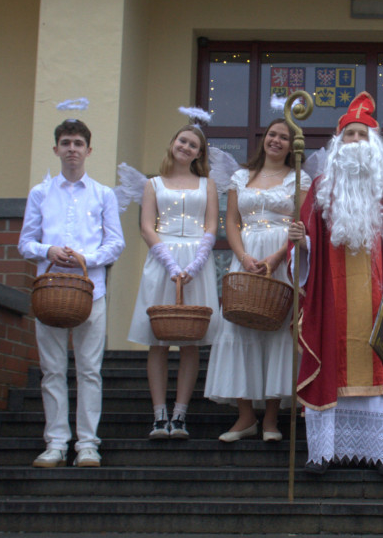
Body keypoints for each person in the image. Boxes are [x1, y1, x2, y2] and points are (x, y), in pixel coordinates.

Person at [288, 92, 383, 476]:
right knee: (330, 363)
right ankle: (324, 452)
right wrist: (302, 242)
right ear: (338, 143)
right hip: (330, 301)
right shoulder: (320, 187)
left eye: (361, 135)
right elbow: (307, 244)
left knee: (382, 365)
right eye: (348, 135)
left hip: (379, 301)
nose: (354, 141)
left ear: (373, 144)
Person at [18, 118, 125, 468]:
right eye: (66, 143)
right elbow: (25, 242)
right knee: (52, 369)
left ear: (89, 150)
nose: (72, 149)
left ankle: (88, 444)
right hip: (50, 292)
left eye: (78, 143)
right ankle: (56, 443)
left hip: (91, 291)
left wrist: (86, 259)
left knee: (89, 370)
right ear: (56, 149)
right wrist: (47, 251)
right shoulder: (40, 193)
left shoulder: (104, 194)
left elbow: (116, 243)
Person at [204, 119, 311, 442]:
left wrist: (278, 257)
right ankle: (246, 416)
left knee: (276, 329)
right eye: (272, 135)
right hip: (246, 255)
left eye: (284, 137)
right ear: (264, 138)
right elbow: (231, 222)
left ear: (292, 146)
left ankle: (271, 419)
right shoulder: (241, 176)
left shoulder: (299, 178)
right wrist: (243, 256)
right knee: (239, 326)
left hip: (281, 255)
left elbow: (303, 223)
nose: (276, 141)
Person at [127, 124, 220, 440]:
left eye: (193, 145)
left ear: (199, 154)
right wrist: (168, 262)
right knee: (159, 340)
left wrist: (196, 263)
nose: (186, 147)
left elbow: (211, 226)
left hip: (197, 260)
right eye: (183, 141)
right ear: (172, 143)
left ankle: (180, 414)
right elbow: (146, 226)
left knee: (190, 340)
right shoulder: (153, 184)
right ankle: (159, 415)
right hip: (161, 257)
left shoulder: (207, 185)